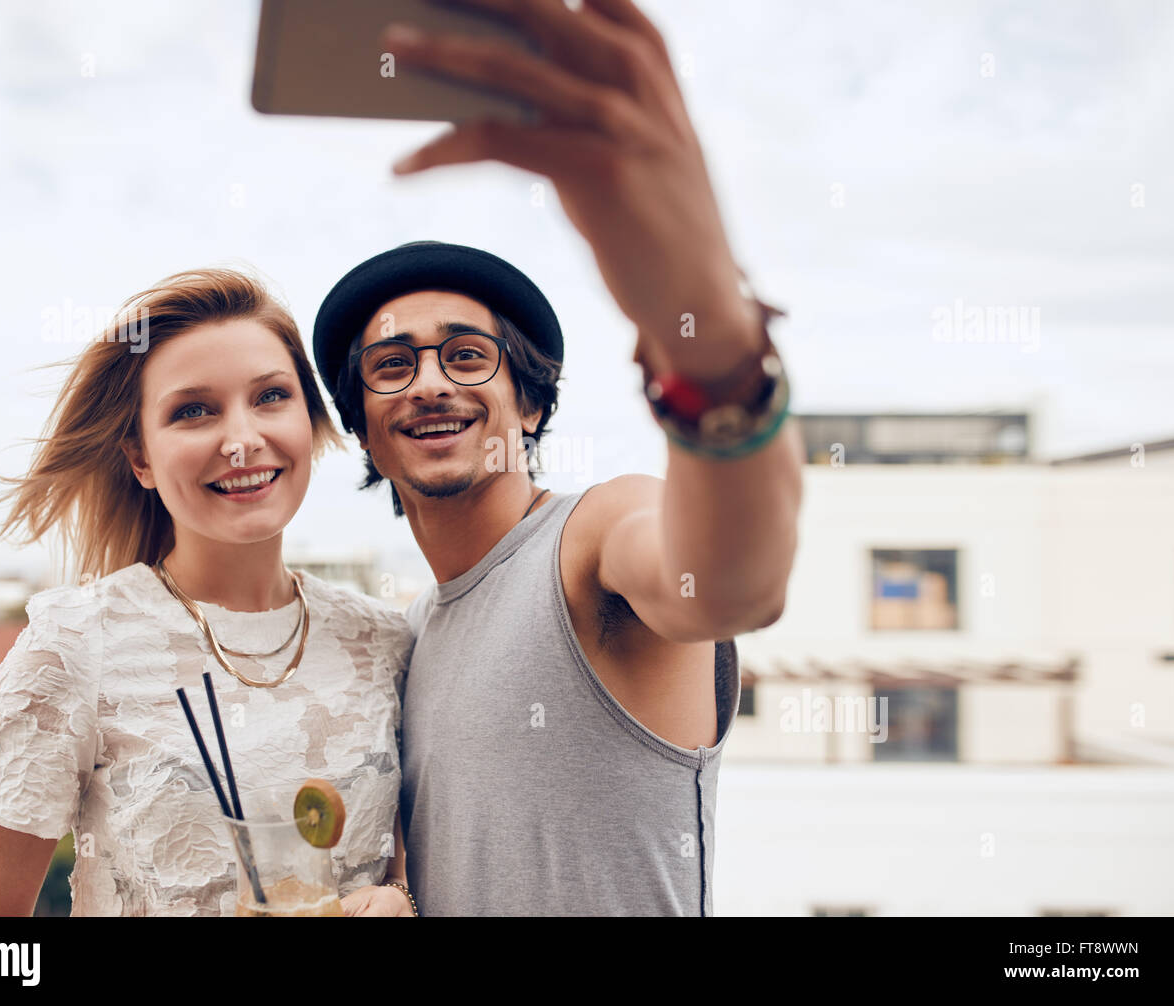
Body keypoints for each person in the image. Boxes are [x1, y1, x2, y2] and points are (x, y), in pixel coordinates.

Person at [309, 0, 805, 916]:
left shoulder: (592, 538)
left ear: (529, 401)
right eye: (391, 366)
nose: (428, 383)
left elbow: (733, 587)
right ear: (364, 425)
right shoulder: (415, 634)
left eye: (466, 354)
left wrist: (709, 345)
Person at [0, 268, 415, 917]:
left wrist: (399, 900)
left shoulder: (384, 640)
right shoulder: (75, 647)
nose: (243, 439)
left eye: (271, 396)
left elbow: (412, 868)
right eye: (193, 410)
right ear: (141, 458)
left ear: (310, 420)